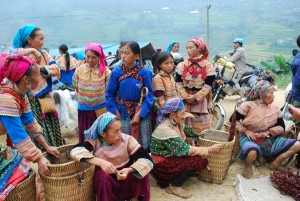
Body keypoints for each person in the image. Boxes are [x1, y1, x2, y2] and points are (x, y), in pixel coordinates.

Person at [70, 112, 153, 201]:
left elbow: (147, 159)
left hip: (126, 179)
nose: (120, 134)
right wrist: (100, 162)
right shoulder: (95, 142)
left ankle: (135, 199)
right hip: (108, 185)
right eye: (116, 131)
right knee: (101, 176)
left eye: (120, 129)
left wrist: (129, 170)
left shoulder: (127, 140)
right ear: (103, 134)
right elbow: (75, 151)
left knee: (142, 170)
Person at [0, 53, 59, 179]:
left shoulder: (21, 94)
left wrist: (46, 147)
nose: (40, 78)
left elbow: (31, 124)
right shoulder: (7, 99)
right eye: (38, 75)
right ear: (26, 79)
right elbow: (19, 136)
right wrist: (39, 158)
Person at [150, 98, 223, 199]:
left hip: (169, 156)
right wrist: (209, 149)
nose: (185, 116)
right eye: (182, 113)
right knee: (197, 160)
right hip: (161, 164)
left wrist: (198, 127)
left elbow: (190, 131)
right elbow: (187, 150)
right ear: (172, 115)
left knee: (197, 151)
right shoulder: (165, 129)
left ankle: (178, 175)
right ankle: (174, 186)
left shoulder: (174, 123)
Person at [230, 80, 300, 178]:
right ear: (262, 94)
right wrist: (246, 131)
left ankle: (276, 163)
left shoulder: (275, 109)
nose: (274, 96)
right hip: (250, 138)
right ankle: (249, 165)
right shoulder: (247, 105)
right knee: (252, 152)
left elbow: (282, 127)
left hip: (269, 139)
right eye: (271, 93)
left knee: (298, 145)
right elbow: (233, 120)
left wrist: (268, 132)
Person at [12, 25, 63, 149]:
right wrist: (32, 52)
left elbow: (56, 69)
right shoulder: (19, 56)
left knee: (50, 126)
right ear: (29, 40)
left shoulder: (44, 54)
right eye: (40, 39)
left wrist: (38, 67)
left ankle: (54, 151)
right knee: (36, 127)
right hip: (30, 100)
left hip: (45, 97)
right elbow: (11, 53)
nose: (42, 42)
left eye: (43, 39)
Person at [106, 41, 154, 151]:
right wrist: (114, 111)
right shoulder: (116, 72)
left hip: (141, 112)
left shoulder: (145, 72)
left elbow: (150, 95)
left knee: (142, 143)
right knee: (124, 142)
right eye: (121, 53)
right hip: (122, 113)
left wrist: (140, 114)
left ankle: (142, 164)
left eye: (126, 53)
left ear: (136, 56)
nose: (122, 56)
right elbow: (109, 94)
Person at [175, 37, 216, 137]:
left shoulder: (208, 66)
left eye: (191, 48)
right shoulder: (182, 65)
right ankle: (188, 149)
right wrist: (185, 95)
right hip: (184, 101)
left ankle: (200, 148)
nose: (188, 50)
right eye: (187, 48)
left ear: (199, 48)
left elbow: (208, 85)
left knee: (200, 129)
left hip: (200, 102)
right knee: (184, 125)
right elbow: (179, 82)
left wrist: (195, 97)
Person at [73, 43, 111, 143]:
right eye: (88, 56)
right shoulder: (79, 70)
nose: (90, 60)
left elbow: (108, 90)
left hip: (100, 110)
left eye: (94, 57)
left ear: (100, 57)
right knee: (85, 134)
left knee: (99, 134)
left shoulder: (106, 72)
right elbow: (76, 86)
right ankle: (85, 154)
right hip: (83, 109)